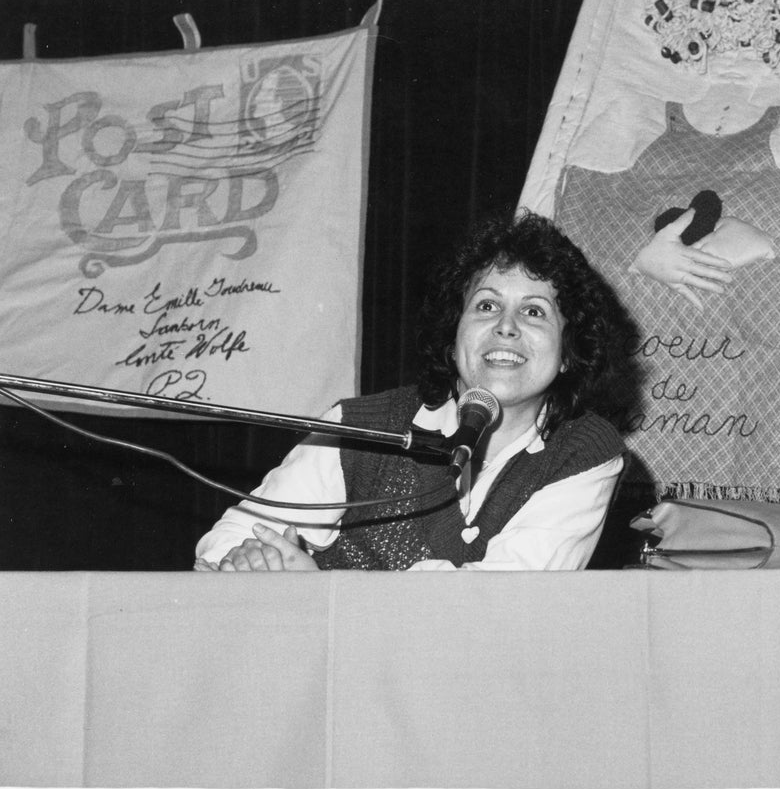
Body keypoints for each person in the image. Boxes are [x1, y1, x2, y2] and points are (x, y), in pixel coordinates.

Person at [195, 211, 638, 572]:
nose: (506, 326)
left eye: (535, 312)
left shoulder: (585, 453)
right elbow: (229, 540)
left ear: (567, 353)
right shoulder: (361, 427)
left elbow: (504, 604)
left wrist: (320, 593)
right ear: (453, 334)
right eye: (487, 305)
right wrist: (255, 561)